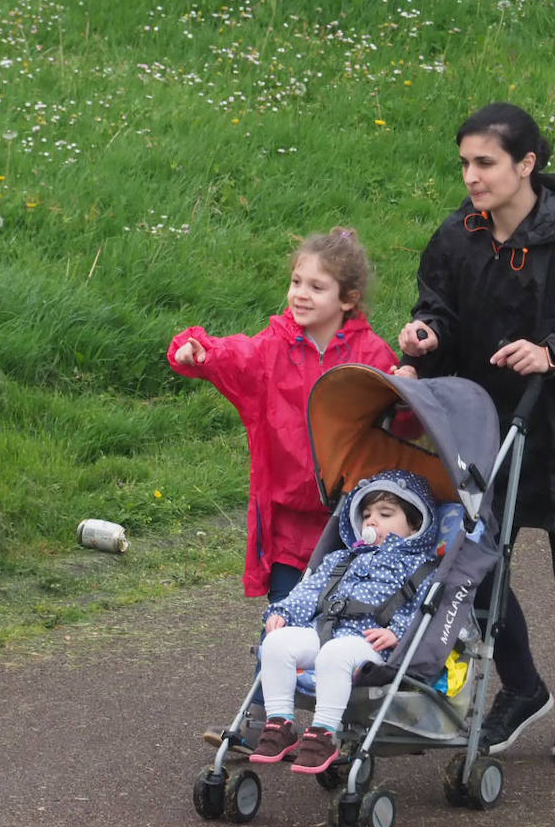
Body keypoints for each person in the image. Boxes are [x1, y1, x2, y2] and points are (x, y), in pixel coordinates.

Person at [396, 102, 555, 762]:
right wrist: (425, 337)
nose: (472, 177)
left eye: (485, 163)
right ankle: (521, 688)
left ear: (527, 164)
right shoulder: (459, 236)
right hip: (489, 428)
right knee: (476, 566)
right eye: (464, 163)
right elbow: (441, 311)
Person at [169, 227, 398, 604]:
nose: (300, 295)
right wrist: (199, 352)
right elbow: (237, 355)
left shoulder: (372, 354)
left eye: (316, 287)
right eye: (296, 282)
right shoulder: (275, 345)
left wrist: (407, 388)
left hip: (352, 519)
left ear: (348, 299)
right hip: (289, 523)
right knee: (282, 624)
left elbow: (401, 423)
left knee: (341, 625)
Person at [249, 470, 438, 774]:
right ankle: (280, 723)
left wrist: (399, 632)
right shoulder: (341, 559)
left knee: (335, 654)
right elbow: (309, 592)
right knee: (275, 644)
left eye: (385, 514)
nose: (371, 521)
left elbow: (427, 610)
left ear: (415, 524)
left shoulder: (421, 567)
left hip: (370, 644)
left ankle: (323, 734)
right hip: (326, 630)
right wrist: (282, 612)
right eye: (366, 515)